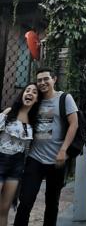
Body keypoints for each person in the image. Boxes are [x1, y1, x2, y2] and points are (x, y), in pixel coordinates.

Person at [14, 68, 78, 226]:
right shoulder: (36, 99)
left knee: (52, 204)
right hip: (35, 158)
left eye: (45, 79)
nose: (42, 83)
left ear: (54, 79)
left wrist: (63, 150)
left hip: (57, 160)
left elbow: (74, 124)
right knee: (26, 201)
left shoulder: (64, 98)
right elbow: (21, 111)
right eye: (39, 80)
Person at [0, 83, 39, 226]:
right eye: (27, 90)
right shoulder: (10, 112)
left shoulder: (33, 122)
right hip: (1, 158)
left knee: (3, 210)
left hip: (16, 166)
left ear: (36, 99)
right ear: (22, 94)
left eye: (34, 92)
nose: (30, 93)